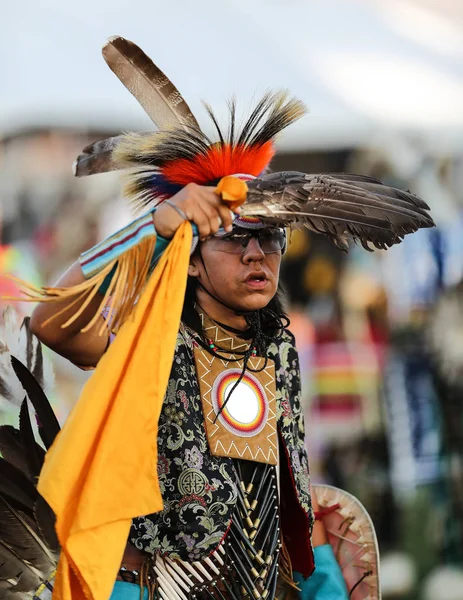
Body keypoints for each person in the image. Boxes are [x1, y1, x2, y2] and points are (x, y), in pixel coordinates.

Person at [5, 36, 432, 600]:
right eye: (235, 240)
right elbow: (52, 323)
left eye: (271, 240)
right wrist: (153, 228)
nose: (258, 256)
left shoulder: (276, 348)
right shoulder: (150, 340)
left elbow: (277, 489)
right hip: (148, 585)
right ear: (194, 262)